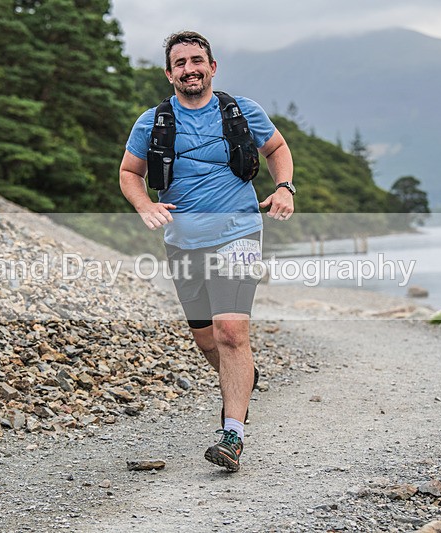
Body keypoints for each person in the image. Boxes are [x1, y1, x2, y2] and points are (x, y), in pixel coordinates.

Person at [119, 31, 294, 472]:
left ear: (212, 67)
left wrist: (284, 188)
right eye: (180, 63)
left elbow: (275, 148)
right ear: (169, 73)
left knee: (231, 332)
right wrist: (145, 204)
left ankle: (232, 433)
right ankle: (243, 378)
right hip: (183, 242)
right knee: (205, 338)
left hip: (239, 231)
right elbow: (129, 173)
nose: (190, 68)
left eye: (197, 60)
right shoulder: (153, 122)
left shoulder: (241, 111)